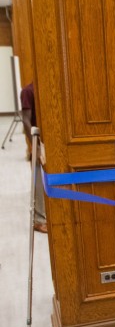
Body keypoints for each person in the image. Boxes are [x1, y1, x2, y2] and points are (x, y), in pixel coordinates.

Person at [20, 83, 46, 233]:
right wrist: (34, 146)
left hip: (48, 139)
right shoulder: (28, 91)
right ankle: (39, 220)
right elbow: (25, 120)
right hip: (38, 141)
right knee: (38, 181)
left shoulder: (46, 88)